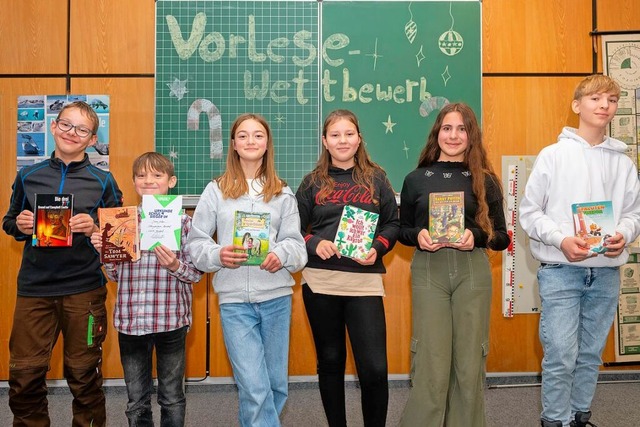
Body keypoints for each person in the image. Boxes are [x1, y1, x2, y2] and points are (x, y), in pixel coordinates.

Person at [519, 74, 640, 427]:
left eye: (612, 100)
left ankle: (578, 416)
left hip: (606, 271)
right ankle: (554, 420)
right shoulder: (552, 156)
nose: (605, 105)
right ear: (577, 106)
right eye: (596, 99)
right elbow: (529, 212)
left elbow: (634, 213)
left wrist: (623, 233)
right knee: (560, 353)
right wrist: (560, 239)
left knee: (589, 353)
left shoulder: (623, 162)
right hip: (560, 271)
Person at [2, 100, 123, 426]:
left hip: (84, 290)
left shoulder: (104, 181)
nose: (72, 133)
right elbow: (9, 222)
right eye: (66, 125)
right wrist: (22, 225)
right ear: (53, 127)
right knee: (24, 377)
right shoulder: (28, 175)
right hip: (34, 290)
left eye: (82, 129)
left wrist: (96, 228)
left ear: (93, 139)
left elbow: (120, 239)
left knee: (84, 377)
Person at [187, 113, 307, 427]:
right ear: (234, 145)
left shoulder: (282, 192)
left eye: (257, 135)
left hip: (277, 300)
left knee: (274, 387)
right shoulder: (215, 190)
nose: (250, 141)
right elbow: (195, 244)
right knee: (254, 387)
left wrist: (281, 255)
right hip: (235, 302)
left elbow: (297, 246)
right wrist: (218, 254)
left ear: (267, 144)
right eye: (243, 136)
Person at [398, 102, 510, 427]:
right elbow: (402, 230)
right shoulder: (416, 179)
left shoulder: (486, 180)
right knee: (431, 360)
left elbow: (501, 237)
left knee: (469, 361)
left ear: (471, 135)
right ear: (437, 133)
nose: (454, 135)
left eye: (462, 128)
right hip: (428, 270)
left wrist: (475, 236)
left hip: (472, 271)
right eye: (447, 128)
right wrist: (417, 235)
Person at [295, 109, 400, 427]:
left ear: (359, 138)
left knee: (374, 369)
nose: (343, 140)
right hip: (321, 282)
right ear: (325, 141)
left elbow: (393, 224)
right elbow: (293, 230)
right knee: (330, 362)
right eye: (335, 135)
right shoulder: (312, 182)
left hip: (363, 283)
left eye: (349, 133)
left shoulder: (376, 178)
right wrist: (314, 243)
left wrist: (378, 247)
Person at [90, 152, 203, 426]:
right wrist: (106, 253)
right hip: (131, 322)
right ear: (133, 182)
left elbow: (196, 274)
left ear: (171, 181)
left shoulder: (185, 223)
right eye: (141, 176)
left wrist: (175, 264)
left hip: (171, 321)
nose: (148, 181)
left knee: (172, 395)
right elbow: (115, 276)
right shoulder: (121, 221)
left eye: (156, 175)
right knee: (136, 399)